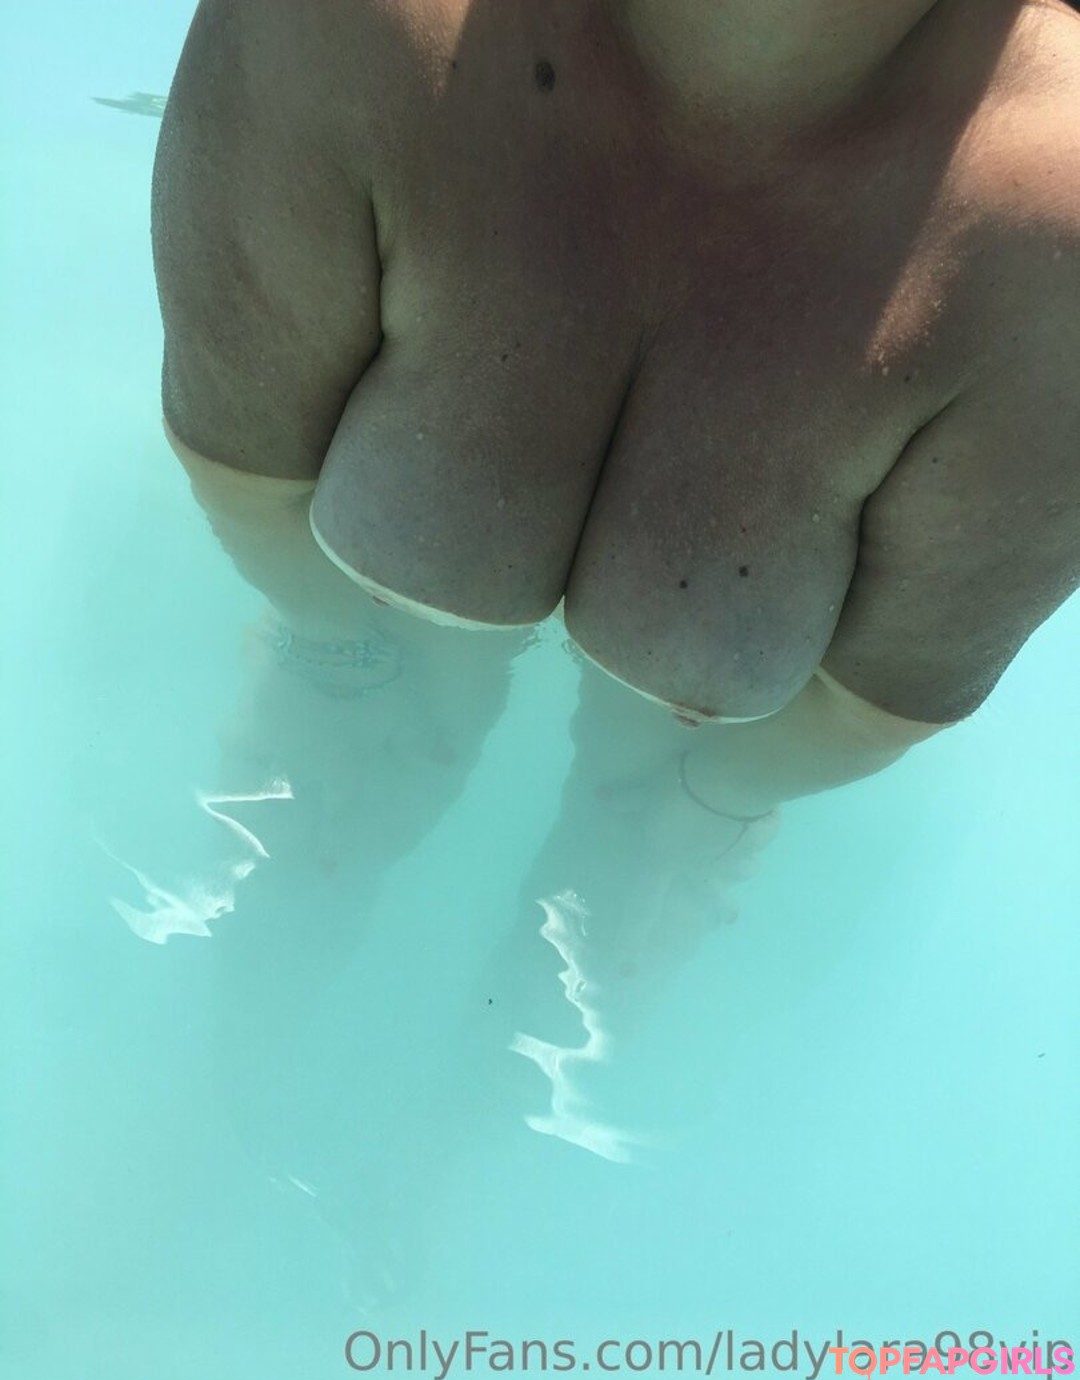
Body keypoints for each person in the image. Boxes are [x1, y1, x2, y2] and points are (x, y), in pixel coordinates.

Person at [150, 0, 1080, 916]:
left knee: (598, 920)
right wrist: (329, 644)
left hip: (675, 786)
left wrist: (713, 799)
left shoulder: (1055, 260)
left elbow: (869, 713)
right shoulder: (337, 26)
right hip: (364, 663)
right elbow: (244, 483)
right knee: (269, 917)